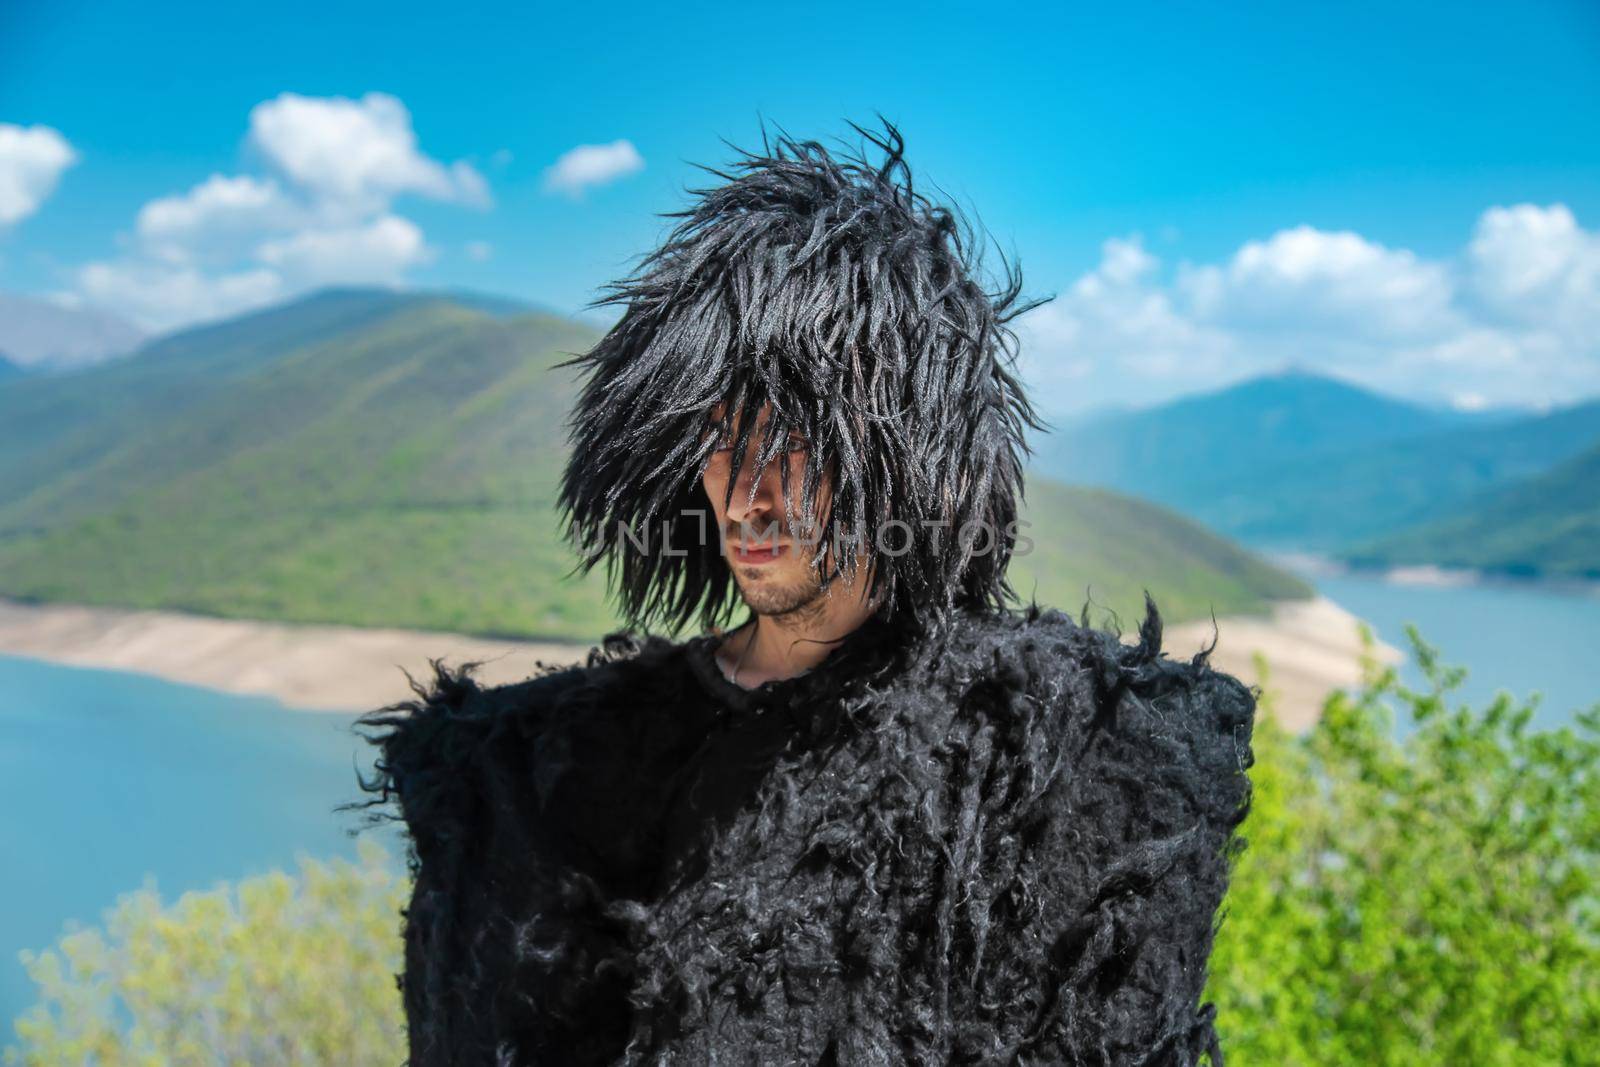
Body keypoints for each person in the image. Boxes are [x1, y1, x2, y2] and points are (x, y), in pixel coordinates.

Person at [353, 117, 1258, 1066]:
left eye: (794, 443)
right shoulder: (534, 772)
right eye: (720, 442)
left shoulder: (1065, 762)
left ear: (904, 456)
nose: (748, 496)